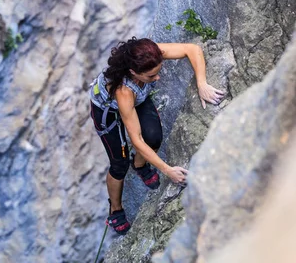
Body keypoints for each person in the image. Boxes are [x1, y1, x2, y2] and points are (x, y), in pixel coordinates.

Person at [89, 37, 225, 235]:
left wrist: (201, 82)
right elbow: (136, 138)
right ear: (133, 72)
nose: (157, 78)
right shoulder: (124, 91)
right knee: (119, 163)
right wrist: (167, 169)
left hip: (137, 98)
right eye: (152, 76)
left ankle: (140, 165)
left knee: (153, 137)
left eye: (158, 72)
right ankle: (115, 210)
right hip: (106, 110)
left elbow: (192, 49)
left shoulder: (149, 54)